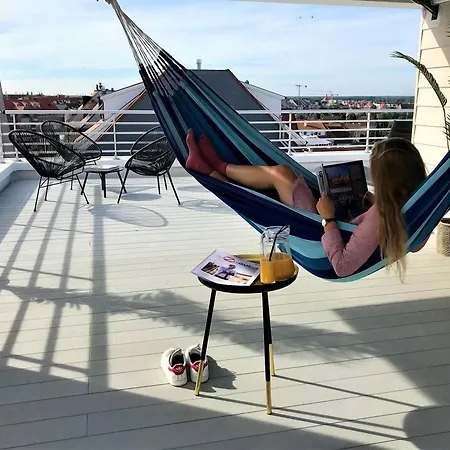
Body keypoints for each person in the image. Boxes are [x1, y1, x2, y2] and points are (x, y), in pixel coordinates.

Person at [185, 129, 428, 278]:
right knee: (279, 177)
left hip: (318, 234)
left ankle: (215, 167)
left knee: (280, 175)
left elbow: (342, 266)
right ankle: (214, 168)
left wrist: (328, 218)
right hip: (340, 224)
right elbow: (415, 243)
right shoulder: (416, 204)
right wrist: (373, 202)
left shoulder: (380, 216)